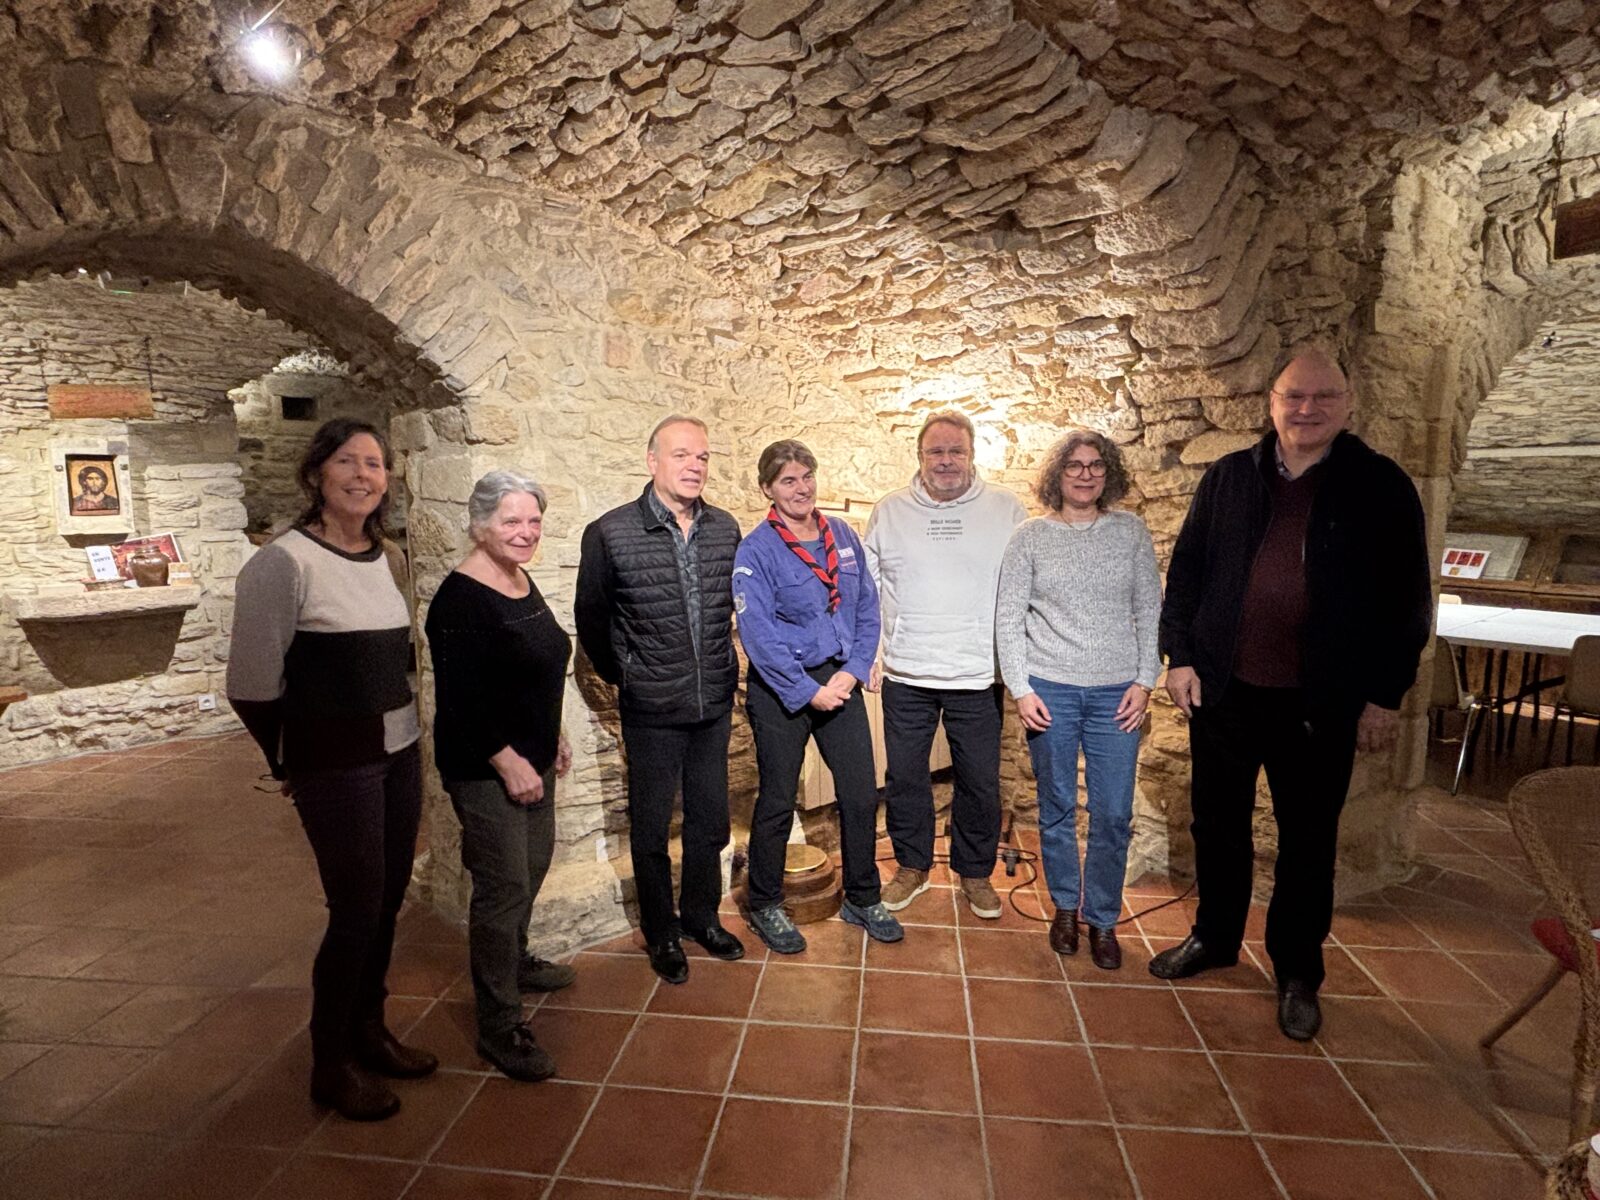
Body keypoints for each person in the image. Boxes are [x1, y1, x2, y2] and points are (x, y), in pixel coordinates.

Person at [1153, 348, 1431, 1041]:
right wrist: (1180, 657)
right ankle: (1216, 938)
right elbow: (1187, 571)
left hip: (1320, 702)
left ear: (1348, 404)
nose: (1306, 410)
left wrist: (1384, 696)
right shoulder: (1228, 478)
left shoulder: (1380, 485)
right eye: (1292, 397)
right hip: (1224, 690)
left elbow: (1408, 602)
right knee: (1217, 825)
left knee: (1308, 840)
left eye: (1322, 398)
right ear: (1271, 402)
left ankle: (1298, 970)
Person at [226, 417, 437, 1122]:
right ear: (317, 473)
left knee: (387, 901)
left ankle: (370, 1030)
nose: (364, 475)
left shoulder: (389, 559)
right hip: (336, 766)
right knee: (354, 909)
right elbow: (251, 686)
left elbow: (392, 661)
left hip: (398, 751)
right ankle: (330, 1061)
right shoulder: (281, 564)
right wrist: (288, 759)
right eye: (348, 461)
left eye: (375, 465)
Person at [575, 415, 745, 983]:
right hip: (651, 706)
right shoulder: (610, 532)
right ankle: (661, 930)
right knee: (650, 829)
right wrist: (628, 673)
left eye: (702, 456)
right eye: (681, 455)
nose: (694, 465)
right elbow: (592, 620)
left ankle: (699, 916)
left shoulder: (725, 528)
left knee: (710, 822)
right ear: (652, 461)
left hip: (713, 702)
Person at [425, 471, 575, 1084]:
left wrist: (552, 734)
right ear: (480, 524)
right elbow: (460, 698)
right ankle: (498, 1024)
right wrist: (507, 758)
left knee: (533, 867)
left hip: (534, 754)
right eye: (512, 521)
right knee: (503, 884)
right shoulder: (459, 598)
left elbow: (531, 672)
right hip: (484, 767)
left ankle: (513, 959)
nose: (525, 532)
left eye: (533, 520)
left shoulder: (518, 578)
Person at [996, 431, 1161, 970]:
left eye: (1094, 465)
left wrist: (1144, 682)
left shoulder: (1130, 532)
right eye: (1074, 466)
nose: (1085, 474)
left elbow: (1151, 610)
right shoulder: (1030, 537)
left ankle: (1104, 917)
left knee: (1113, 812)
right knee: (1058, 807)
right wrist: (1021, 688)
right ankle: (1067, 907)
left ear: (1107, 473)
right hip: (1051, 690)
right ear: (1057, 476)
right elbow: (1008, 618)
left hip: (1118, 694)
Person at [734, 440, 902, 953]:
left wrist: (850, 675)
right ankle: (764, 903)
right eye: (788, 480)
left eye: (807, 476)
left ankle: (862, 895)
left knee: (858, 793)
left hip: (839, 680)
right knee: (778, 800)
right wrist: (809, 692)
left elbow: (867, 609)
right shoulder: (756, 549)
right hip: (783, 686)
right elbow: (757, 632)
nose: (801, 488)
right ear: (768, 488)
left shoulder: (842, 535)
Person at [863, 410, 1027, 919]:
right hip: (907, 673)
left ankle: (975, 872)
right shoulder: (889, 511)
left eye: (956, 450)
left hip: (978, 675)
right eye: (936, 451)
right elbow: (867, 591)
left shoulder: (1006, 510)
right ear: (920, 456)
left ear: (972, 454)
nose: (947, 461)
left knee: (979, 780)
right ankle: (912, 866)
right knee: (906, 776)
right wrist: (871, 654)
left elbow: (1023, 589)